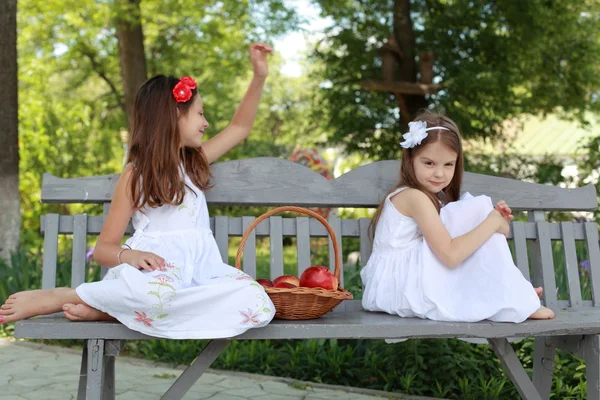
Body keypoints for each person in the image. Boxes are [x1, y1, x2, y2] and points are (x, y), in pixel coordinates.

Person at [0, 43, 277, 339]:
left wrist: (259, 75)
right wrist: (130, 257)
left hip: (200, 274)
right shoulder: (136, 177)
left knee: (255, 300)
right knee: (157, 298)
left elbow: (240, 127)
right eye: (199, 114)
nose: (206, 122)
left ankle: (107, 311)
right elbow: (105, 249)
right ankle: (62, 296)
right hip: (156, 278)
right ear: (173, 116)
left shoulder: (194, 165)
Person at [360, 111, 555, 323]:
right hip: (399, 290)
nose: (439, 174)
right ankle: (511, 297)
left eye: (448, 165)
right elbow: (451, 257)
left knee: (475, 213)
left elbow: (499, 233)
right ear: (410, 160)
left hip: (405, 284)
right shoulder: (415, 197)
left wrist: (494, 222)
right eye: (429, 163)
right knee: (478, 211)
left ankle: (507, 293)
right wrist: (490, 222)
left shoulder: (432, 198)